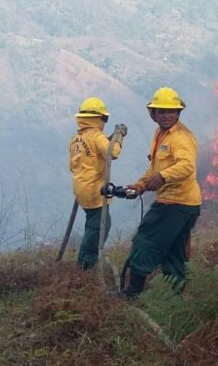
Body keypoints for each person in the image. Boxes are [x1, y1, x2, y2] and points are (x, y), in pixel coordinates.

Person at [119, 87, 201, 299]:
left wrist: (163, 177)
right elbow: (155, 167)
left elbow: (186, 166)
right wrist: (140, 185)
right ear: (153, 114)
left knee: (145, 241)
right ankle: (174, 299)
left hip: (176, 203)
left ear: (178, 114)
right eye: (161, 111)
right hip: (182, 204)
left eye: (171, 111)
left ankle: (132, 293)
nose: (166, 115)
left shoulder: (182, 137)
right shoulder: (160, 135)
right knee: (174, 252)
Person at [68, 97, 125, 269]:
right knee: (100, 226)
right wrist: (120, 136)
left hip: (80, 188)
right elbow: (113, 152)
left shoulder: (76, 138)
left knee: (92, 223)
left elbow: (78, 161)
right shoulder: (96, 136)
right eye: (104, 119)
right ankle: (87, 262)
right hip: (95, 189)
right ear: (98, 118)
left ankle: (85, 261)